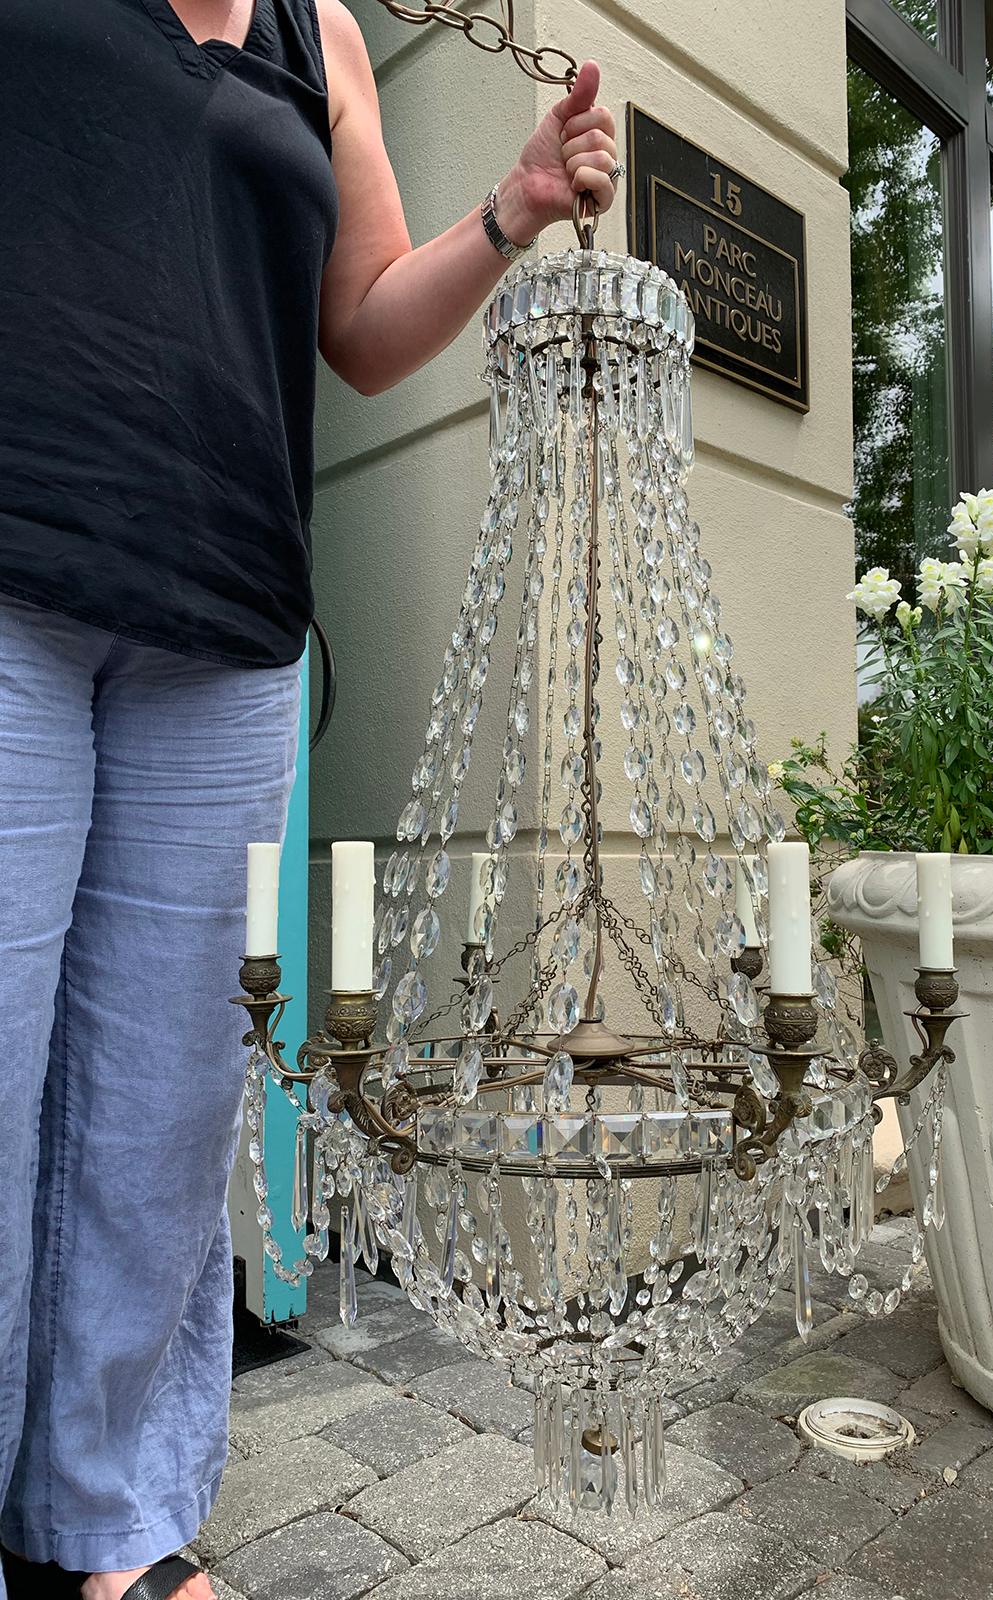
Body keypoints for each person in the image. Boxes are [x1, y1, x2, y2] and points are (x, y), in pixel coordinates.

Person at [0, 4, 618, 1598]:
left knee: (159, 1119)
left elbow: (362, 318)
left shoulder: (321, 31)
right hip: (13, 571)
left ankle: (105, 1530)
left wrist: (515, 209)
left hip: (221, 623)